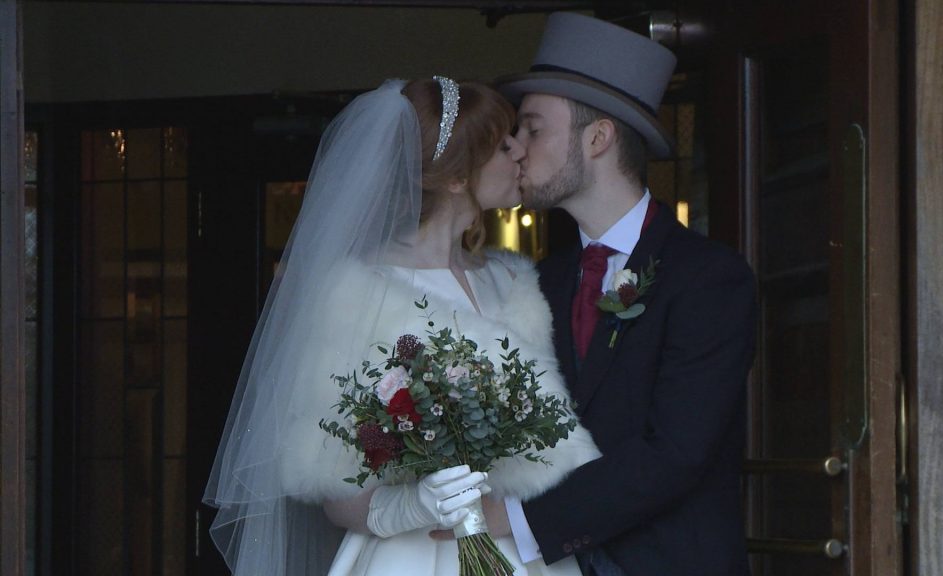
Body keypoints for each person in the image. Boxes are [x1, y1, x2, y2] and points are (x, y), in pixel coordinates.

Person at [204, 77, 600, 576]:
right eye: (503, 144)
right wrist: (412, 505)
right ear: (457, 178)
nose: (522, 151)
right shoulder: (356, 292)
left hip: (524, 549)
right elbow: (330, 480)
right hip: (414, 555)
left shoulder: (513, 279)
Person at [489, 12, 757, 576]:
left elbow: (674, 454)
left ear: (598, 137)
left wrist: (516, 521)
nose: (515, 147)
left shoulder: (709, 279)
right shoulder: (539, 280)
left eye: (534, 129)